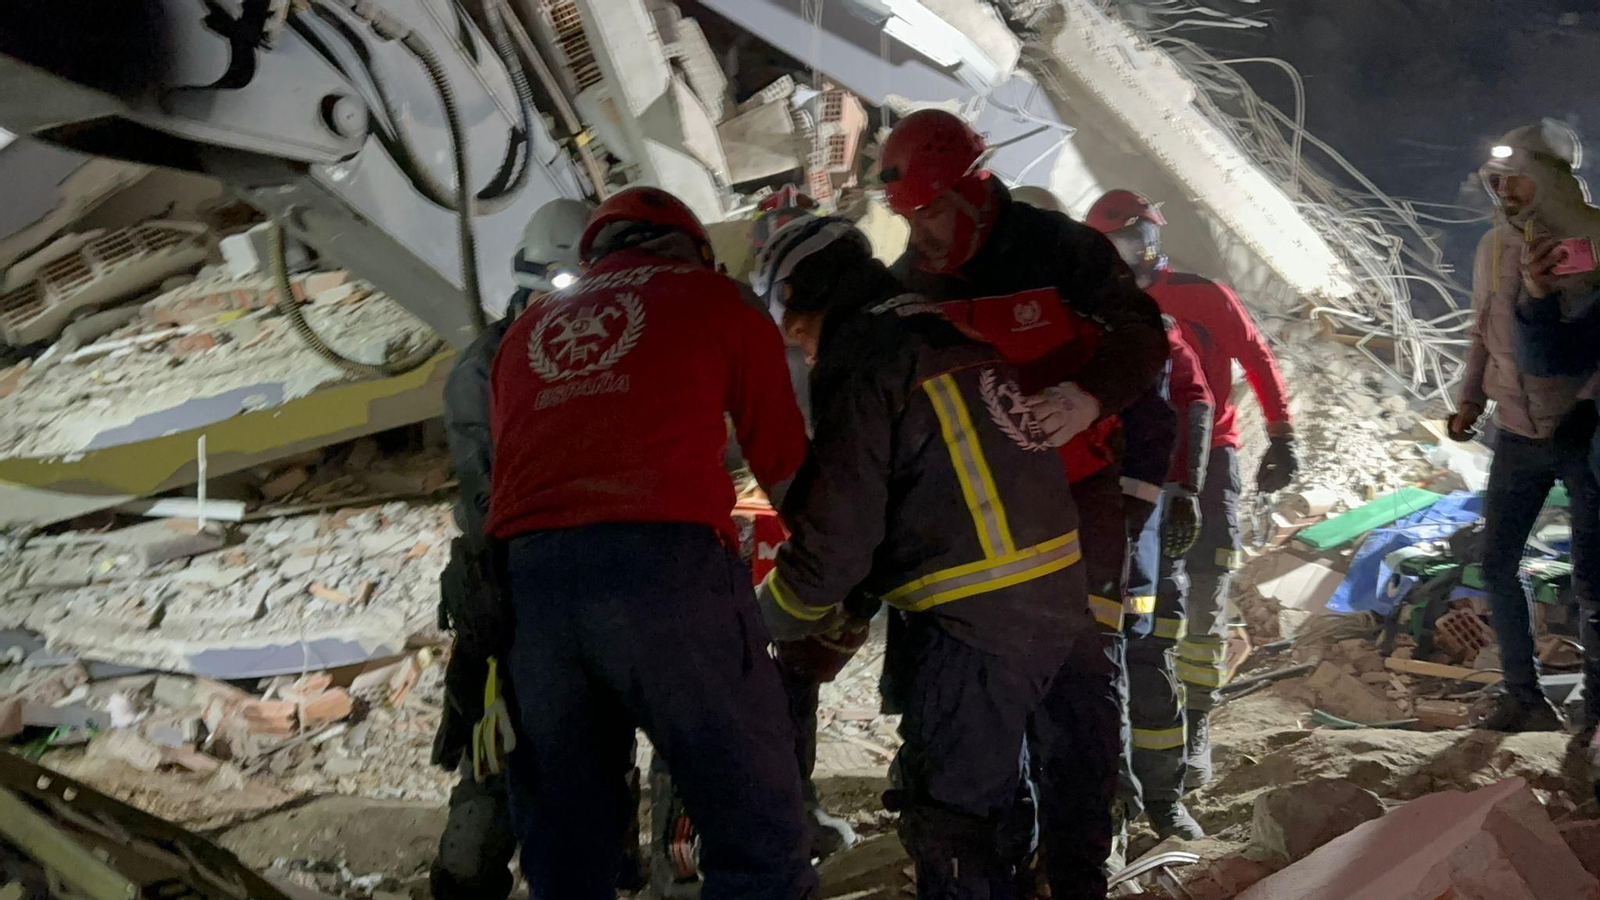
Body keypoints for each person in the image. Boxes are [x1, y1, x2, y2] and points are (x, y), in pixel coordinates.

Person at [485, 186, 817, 899]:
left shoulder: (526, 333)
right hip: (664, 575)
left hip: (531, 592)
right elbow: (787, 469)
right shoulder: (715, 298)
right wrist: (835, 570)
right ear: (695, 248)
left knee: (568, 851)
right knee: (756, 829)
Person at [752, 211, 1090, 899]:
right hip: (1047, 593)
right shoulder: (939, 332)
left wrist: (760, 619)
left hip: (979, 614)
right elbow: (921, 490)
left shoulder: (863, 359)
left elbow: (836, 540)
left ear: (802, 294)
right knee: (995, 786)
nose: (798, 342)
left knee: (949, 811)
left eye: (792, 322)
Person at [882, 112, 1169, 900]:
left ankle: (1076, 874)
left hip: (1077, 501)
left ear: (976, 193)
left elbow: (1145, 339)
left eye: (931, 212)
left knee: (1079, 694)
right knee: (979, 702)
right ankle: (999, 866)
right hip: (978, 525)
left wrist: (1088, 397)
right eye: (908, 218)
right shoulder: (916, 284)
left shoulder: (1063, 250)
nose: (922, 234)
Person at [1085, 189, 1297, 789]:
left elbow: (1256, 358)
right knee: (1142, 601)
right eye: (1118, 243)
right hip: (1134, 470)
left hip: (1210, 459)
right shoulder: (1094, 306)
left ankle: (1196, 721)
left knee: (1206, 581)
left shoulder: (1202, 296)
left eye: (1138, 239)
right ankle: (1137, 718)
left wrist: (1281, 434)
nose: (1131, 254)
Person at [429, 196, 596, 900]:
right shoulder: (483, 370)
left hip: (589, 578)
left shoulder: (597, 349)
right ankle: (467, 881)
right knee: (498, 747)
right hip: (511, 584)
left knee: (592, 743)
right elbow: (489, 496)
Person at [1459, 122, 1600, 732]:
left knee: (1593, 585)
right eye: (1498, 180)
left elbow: (1573, 347)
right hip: (1515, 430)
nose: (1505, 190)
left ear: (1549, 178)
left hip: (1581, 433)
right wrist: (1469, 402)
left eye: (1516, 177)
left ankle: (1595, 712)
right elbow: (1482, 330)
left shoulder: (1593, 238)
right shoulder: (1493, 247)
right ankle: (1523, 695)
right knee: (1496, 564)